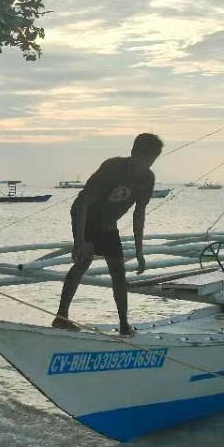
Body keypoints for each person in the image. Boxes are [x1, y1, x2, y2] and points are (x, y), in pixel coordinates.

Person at [53, 132, 163, 336]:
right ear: (133, 153)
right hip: (85, 215)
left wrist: (140, 251)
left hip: (108, 223)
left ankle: (124, 324)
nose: (146, 165)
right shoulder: (113, 167)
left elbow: (139, 215)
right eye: (143, 159)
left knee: (118, 271)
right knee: (83, 261)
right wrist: (79, 240)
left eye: (151, 160)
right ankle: (61, 316)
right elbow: (85, 202)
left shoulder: (148, 178)